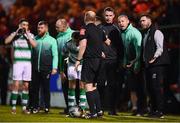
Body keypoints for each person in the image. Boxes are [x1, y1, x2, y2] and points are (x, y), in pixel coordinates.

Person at [75, 11, 105, 119]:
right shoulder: (100, 30)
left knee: (87, 85)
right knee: (93, 86)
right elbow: (108, 42)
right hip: (99, 61)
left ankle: (92, 113)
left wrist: (78, 59)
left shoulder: (84, 29)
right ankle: (99, 111)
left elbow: (83, 45)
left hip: (89, 60)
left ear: (86, 17)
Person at [139, 14, 170, 118]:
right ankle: (153, 110)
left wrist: (154, 57)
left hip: (157, 64)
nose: (141, 22)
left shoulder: (156, 32)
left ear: (149, 21)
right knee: (150, 88)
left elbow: (160, 47)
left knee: (157, 87)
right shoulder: (146, 34)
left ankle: (160, 111)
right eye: (141, 21)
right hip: (149, 65)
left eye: (143, 20)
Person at [4, 18, 36, 114]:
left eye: (26, 25)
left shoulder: (30, 35)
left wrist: (27, 35)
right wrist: (16, 32)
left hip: (27, 63)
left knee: (26, 86)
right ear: (19, 25)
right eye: (23, 25)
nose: (24, 26)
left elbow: (34, 45)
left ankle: (24, 108)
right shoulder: (15, 35)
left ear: (28, 26)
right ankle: (13, 108)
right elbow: (6, 41)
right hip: (18, 63)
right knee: (16, 85)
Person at [118, 14, 146, 116]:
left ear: (127, 21)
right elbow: (125, 52)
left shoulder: (134, 32)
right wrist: (125, 63)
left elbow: (139, 50)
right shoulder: (123, 33)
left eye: (122, 21)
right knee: (132, 87)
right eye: (119, 22)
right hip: (130, 65)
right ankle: (135, 108)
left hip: (138, 64)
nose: (121, 23)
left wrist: (137, 64)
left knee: (140, 87)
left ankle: (142, 109)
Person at [31, 21, 58, 113]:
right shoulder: (34, 39)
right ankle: (35, 107)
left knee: (46, 88)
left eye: (41, 28)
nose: (39, 29)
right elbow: (31, 54)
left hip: (46, 68)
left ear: (46, 29)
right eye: (38, 27)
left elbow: (55, 55)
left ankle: (46, 107)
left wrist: (54, 68)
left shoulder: (52, 40)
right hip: (35, 68)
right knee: (35, 88)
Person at [101, 7, 124, 115]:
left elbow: (120, 47)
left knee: (112, 86)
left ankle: (112, 109)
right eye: (106, 15)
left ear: (113, 16)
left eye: (110, 15)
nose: (108, 17)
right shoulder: (99, 28)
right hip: (101, 61)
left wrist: (120, 62)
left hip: (113, 61)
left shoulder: (116, 30)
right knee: (100, 84)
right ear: (103, 15)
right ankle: (99, 108)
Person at [62, 31, 87, 116]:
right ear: (72, 38)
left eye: (77, 39)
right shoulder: (68, 44)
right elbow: (63, 55)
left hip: (82, 65)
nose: (76, 41)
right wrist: (62, 69)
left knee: (82, 86)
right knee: (71, 86)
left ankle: (82, 109)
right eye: (74, 39)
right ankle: (71, 109)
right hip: (72, 65)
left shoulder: (84, 42)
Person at [55, 18, 74, 114]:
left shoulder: (73, 34)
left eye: (57, 27)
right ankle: (69, 107)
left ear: (64, 26)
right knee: (65, 87)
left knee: (74, 87)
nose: (56, 28)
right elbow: (59, 54)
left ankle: (76, 108)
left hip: (72, 65)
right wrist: (60, 69)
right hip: (62, 66)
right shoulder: (58, 36)